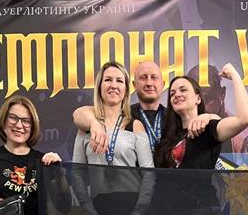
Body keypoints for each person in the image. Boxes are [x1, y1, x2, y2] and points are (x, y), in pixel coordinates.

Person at [71, 61, 155, 215]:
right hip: (98, 210)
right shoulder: (86, 126)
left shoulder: (135, 125)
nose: (114, 85)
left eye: (119, 81)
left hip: (132, 206)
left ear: (126, 90)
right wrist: (88, 209)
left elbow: (149, 174)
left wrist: (139, 211)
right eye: (108, 80)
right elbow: (77, 172)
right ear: (99, 86)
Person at [73, 60, 218, 156]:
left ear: (163, 84)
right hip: (136, 187)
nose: (149, 83)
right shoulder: (123, 116)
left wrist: (208, 116)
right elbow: (79, 113)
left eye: (154, 77)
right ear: (134, 85)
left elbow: (211, 125)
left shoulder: (174, 115)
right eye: (143, 77)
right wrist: (94, 123)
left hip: (170, 186)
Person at [153, 64, 248, 170]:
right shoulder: (166, 138)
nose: (177, 95)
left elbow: (244, 119)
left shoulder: (208, 128)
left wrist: (234, 75)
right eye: (172, 94)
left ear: (198, 98)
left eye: (183, 90)